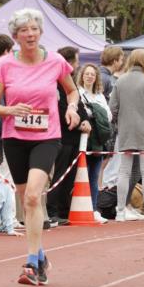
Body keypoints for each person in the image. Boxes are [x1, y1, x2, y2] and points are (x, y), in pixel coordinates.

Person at [0, 7, 80, 287]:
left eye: (34, 29)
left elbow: (71, 90)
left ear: (40, 33)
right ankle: (40, 257)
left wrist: (72, 108)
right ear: (15, 36)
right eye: (24, 30)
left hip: (46, 135)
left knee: (32, 197)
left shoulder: (55, 61)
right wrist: (10, 109)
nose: (30, 34)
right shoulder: (4, 65)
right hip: (15, 137)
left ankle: (29, 262)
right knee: (27, 198)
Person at [109, 48, 144, 224]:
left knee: (124, 171)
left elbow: (112, 108)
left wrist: (120, 122)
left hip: (126, 132)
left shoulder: (120, 81)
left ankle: (120, 210)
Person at [47, 48, 90, 226]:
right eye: (76, 61)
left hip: (74, 136)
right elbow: (60, 108)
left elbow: (77, 104)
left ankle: (64, 209)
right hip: (62, 135)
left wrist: (86, 120)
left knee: (69, 175)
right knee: (59, 174)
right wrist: (79, 122)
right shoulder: (56, 83)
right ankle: (53, 210)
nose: (78, 65)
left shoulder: (70, 83)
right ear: (68, 63)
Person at [77, 61, 113, 221]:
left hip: (98, 140)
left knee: (94, 175)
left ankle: (93, 208)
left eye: (92, 74)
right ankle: (73, 209)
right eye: (87, 74)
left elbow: (109, 116)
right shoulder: (77, 92)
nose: (90, 76)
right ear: (82, 76)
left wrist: (96, 114)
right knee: (78, 175)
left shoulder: (99, 96)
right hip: (82, 140)